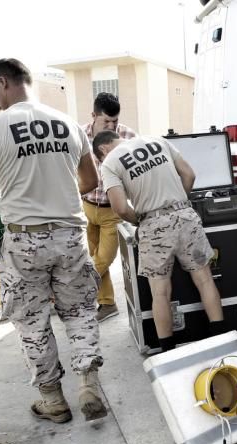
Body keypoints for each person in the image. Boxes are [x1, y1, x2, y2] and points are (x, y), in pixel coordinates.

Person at [0, 57, 108, 424]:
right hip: (70, 236)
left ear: (3, 82)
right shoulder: (70, 125)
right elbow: (90, 182)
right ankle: (88, 382)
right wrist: (56, 192)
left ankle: (52, 400)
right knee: (79, 312)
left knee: (32, 321)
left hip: (26, 241)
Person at [95, 130, 226, 353]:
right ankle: (223, 342)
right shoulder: (156, 140)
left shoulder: (109, 162)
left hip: (153, 224)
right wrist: (179, 203)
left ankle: (168, 351)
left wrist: (141, 220)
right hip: (185, 215)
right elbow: (189, 175)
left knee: (161, 292)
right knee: (205, 280)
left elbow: (120, 208)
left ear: (103, 149)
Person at [81, 93, 136, 322]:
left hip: (113, 210)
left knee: (103, 259)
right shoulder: (80, 135)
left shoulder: (128, 136)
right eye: (106, 122)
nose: (112, 126)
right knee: (94, 255)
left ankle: (73, 291)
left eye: (115, 121)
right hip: (86, 206)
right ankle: (107, 304)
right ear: (93, 116)